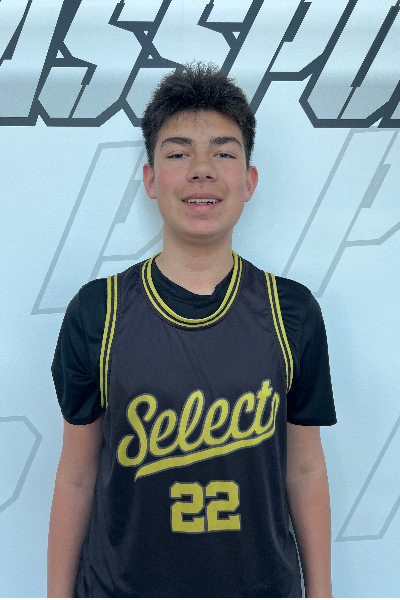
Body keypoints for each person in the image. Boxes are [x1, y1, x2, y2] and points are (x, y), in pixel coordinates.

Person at [48, 63, 336, 598]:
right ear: (150, 179)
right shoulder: (97, 313)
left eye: (224, 153)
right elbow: (77, 475)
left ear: (249, 181)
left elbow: (304, 468)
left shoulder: (291, 311)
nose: (202, 170)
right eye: (178, 154)